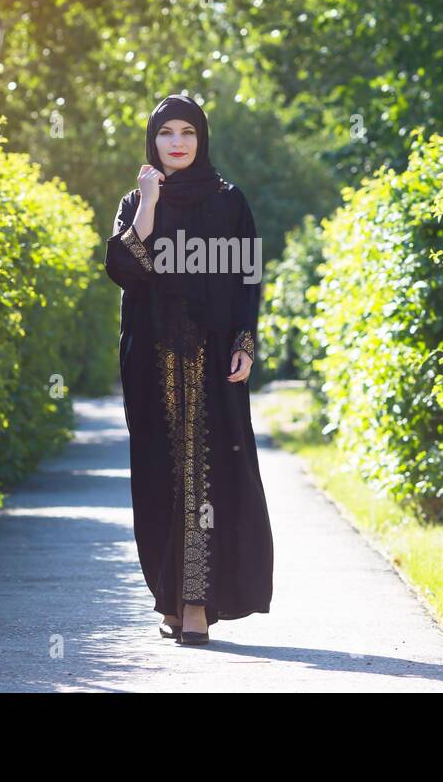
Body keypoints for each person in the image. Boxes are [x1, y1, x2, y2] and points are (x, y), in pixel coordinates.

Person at [103, 93, 274, 646]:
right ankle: (170, 601)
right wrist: (149, 203)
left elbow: (248, 276)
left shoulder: (229, 202)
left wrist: (245, 341)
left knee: (209, 475)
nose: (176, 142)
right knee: (158, 478)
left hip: (213, 358)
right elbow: (126, 269)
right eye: (166, 133)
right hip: (151, 361)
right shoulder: (136, 201)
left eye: (188, 133)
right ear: (152, 141)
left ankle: (197, 604)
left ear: (201, 139)